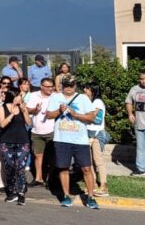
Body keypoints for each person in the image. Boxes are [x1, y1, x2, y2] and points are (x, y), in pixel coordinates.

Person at [46, 77, 99, 209]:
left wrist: (75, 115)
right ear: (62, 85)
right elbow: (48, 115)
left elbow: (92, 117)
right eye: (66, 85)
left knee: (86, 168)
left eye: (71, 85)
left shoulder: (82, 98)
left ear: (76, 85)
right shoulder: (55, 97)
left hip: (80, 140)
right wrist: (59, 110)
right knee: (63, 168)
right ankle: (66, 195)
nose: (68, 88)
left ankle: (91, 197)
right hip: (61, 139)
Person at [0, 88, 31, 205]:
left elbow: (28, 122)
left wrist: (23, 110)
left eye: (21, 96)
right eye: (18, 95)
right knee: (10, 167)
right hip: (7, 142)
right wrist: (12, 114)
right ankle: (12, 192)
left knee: (20, 168)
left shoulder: (23, 107)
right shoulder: (2, 108)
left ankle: (21, 192)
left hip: (22, 141)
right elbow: (2, 124)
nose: (20, 97)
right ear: (12, 96)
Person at [25, 77, 55, 188]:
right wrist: (35, 110)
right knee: (38, 155)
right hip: (36, 131)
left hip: (51, 131)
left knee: (51, 157)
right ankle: (38, 178)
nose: (50, 89)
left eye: (51, 86)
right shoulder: (34, 95)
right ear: (41, 86)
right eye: (47, 87)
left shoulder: (55, 97)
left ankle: (50, 179)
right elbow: (27, 109)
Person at [84, 83, 109, 196]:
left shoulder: (97, 102)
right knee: (89, 161)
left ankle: (103, 186)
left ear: (93, 90)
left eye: (87, 88)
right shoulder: (89, 101)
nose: (85, 90)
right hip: (88, 133)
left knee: (98, 160)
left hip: (97, 134)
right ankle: (92, 185)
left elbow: (94, 117)